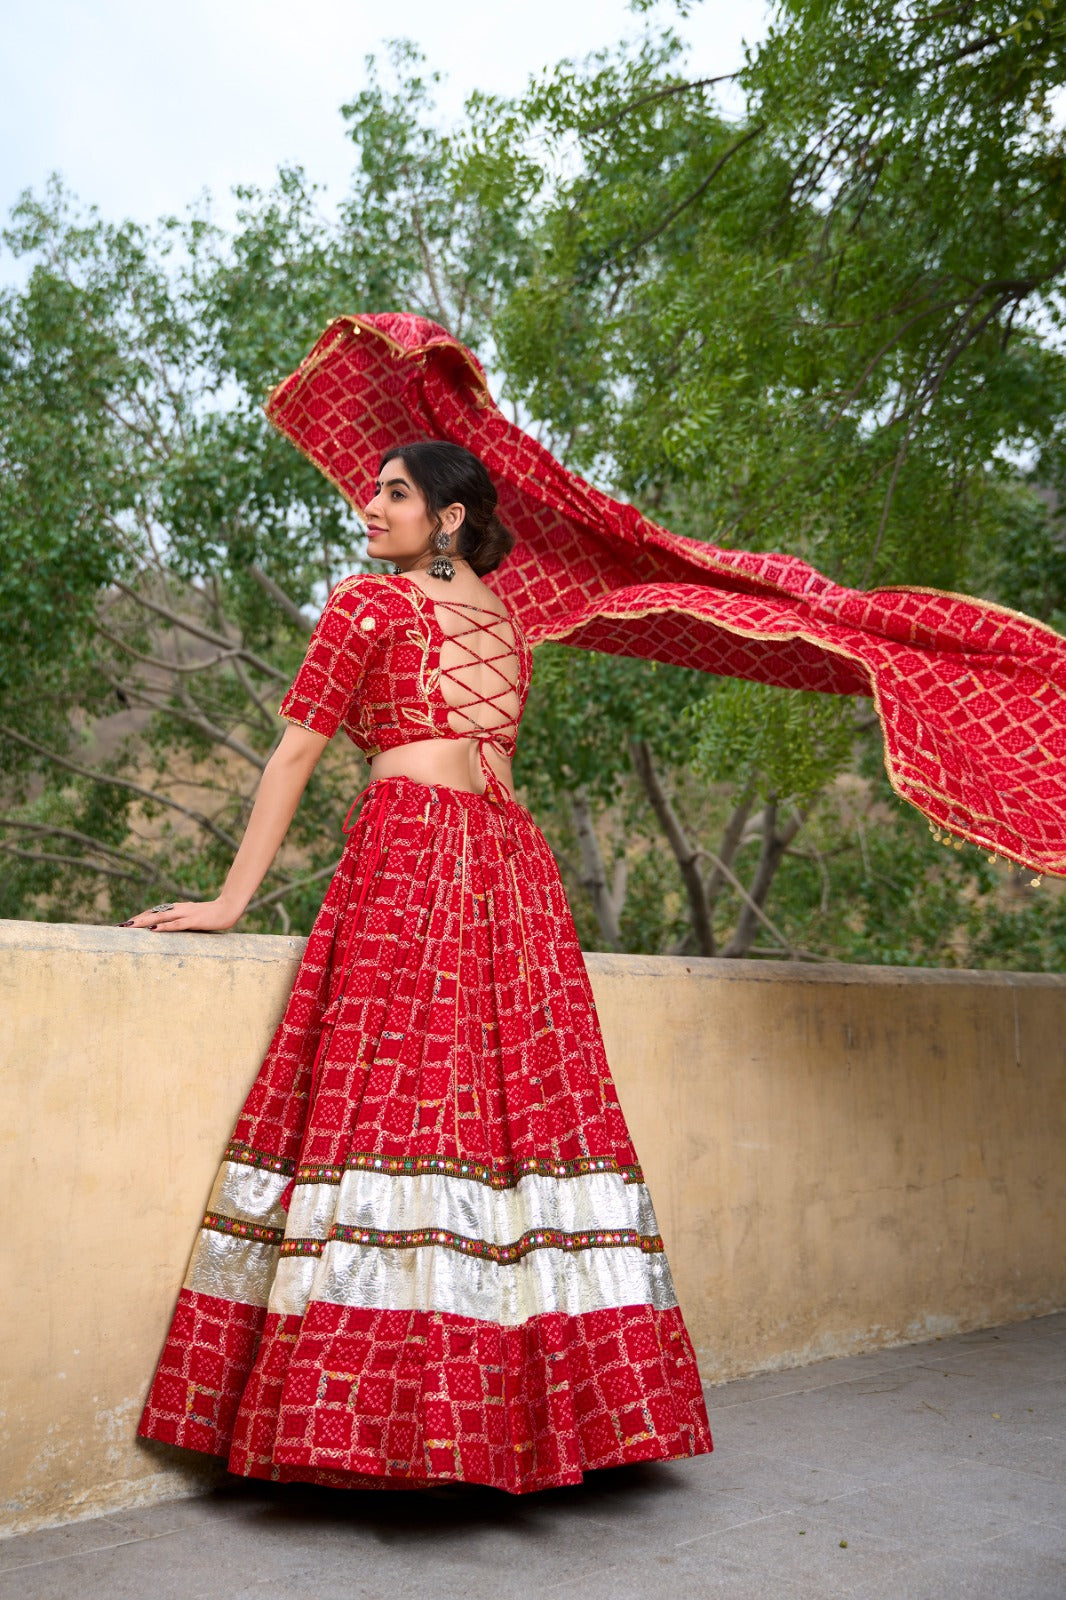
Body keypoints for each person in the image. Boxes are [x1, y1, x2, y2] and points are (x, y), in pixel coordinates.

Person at [132, 439, 713, 1493]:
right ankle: (527, 1425)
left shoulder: (370, 604)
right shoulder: (510, 625)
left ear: (447, 517)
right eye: (374, 488)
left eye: (394, 491)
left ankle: (380, 1427)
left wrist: (230, 900)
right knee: (511, 1128)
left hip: (414, 854)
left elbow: (299, 750)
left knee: (390, 1106)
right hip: (513, 874)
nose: (370, 504)